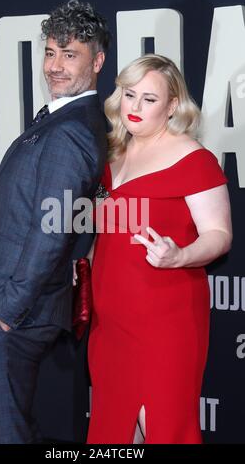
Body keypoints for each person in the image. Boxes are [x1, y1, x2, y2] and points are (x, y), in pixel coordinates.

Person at [0, 0, 110, 444]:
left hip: (16, 310)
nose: (55, 66)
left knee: (5, 435)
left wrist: (4, 310)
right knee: (14, 428)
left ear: (97, 61)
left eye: (70, 54)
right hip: (5, 300)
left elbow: (53, 230)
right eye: (50, 52)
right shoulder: (67, 120)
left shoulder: (73, 131)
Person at [86, 54, 232, 444]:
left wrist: (179, 255)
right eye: (129, 94)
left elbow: (219, 234)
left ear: (172, 106)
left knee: (163, 427)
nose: (134, 107)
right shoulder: (112, 154)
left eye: (149, 99)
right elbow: (106, 236)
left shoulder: (194, 160)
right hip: (110, 323)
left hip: (166, 320)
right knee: (114, 431)